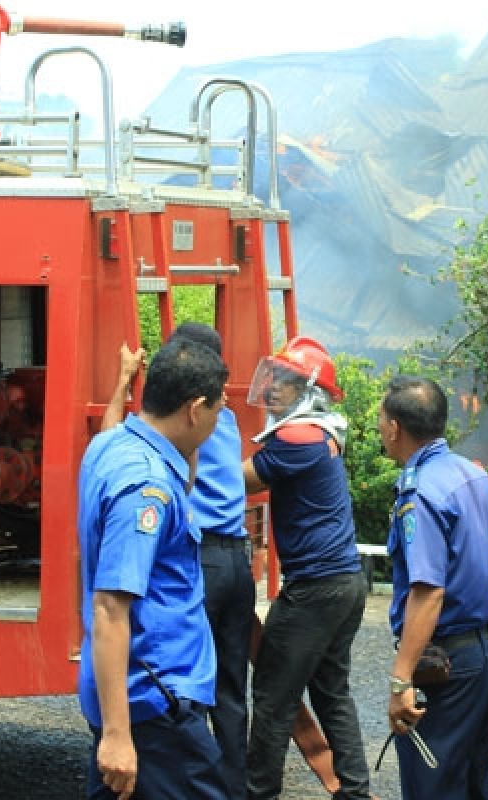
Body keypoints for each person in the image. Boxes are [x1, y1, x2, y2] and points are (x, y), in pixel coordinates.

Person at [102, 323, 255, 799]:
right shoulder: (222, 418)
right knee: (232, 690)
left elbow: (110, 442)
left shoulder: (187, 423)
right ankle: (228, 787)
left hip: (201, 556)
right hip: (237, 562)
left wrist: (123, 383)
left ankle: (179, 775)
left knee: (185, 687)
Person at [78, 338, 229, 800]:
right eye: (218, 409)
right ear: (194, 408)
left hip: (139, 696)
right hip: (155, 701)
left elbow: (182, 477)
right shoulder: (146, 489)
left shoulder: (110, 446)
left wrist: (122, 382)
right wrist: (119, 736)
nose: (218, 420)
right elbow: (110, 608)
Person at [242, 335, 374, 800]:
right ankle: (355, 791)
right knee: (331, 690)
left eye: (286, 380)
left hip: (315, 589)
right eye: (273, 376)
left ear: (309, 390)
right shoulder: (322, 431)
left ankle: (258, 794)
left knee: (273, 698)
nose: (273, 386)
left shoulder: (297, 437)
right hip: (345, 582)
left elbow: (239, 479)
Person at [379, 375, 488, 800]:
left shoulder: (421, 492)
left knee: (431, 788)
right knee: (471, 788)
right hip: (484, 658)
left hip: (445, 666)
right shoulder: (475, 477)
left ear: (395, 428)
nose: (380, 429)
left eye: (381, 420)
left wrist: (400, 681)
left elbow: (428, 591)